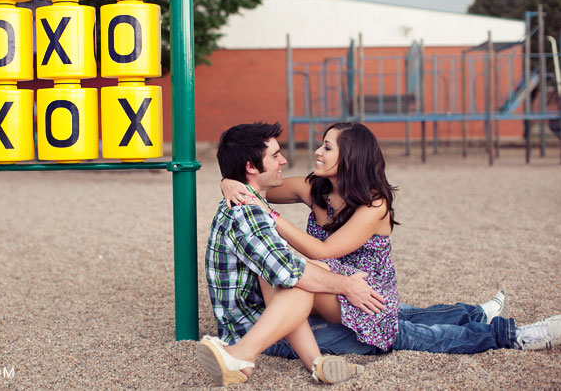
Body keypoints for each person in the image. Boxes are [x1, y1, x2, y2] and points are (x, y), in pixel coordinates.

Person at [221, 121, 561, 357]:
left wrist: (272, 217)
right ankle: (473, 313)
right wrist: (227, 182)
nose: (317, 152)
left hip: (366, 294)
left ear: (350, 156)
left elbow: (322, 249)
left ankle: (515, 335)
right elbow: (259, 186)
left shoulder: (374, 204)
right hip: (339, 287)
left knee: (417, 335)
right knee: (408, 315)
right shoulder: (314, 189)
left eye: (327, 146)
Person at [198, 122, 385, 387]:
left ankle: (316, 363)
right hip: (259, 327)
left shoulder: (253, 201)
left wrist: (229, 179)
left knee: (296, 274)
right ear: (251, 167)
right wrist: (346, 285)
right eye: (275, 155)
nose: (284, 160)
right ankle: (241, 355)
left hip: (281, 311)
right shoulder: (247, 212)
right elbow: (296, 271)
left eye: (327, 147)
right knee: (396, 331)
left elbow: (294, 267)